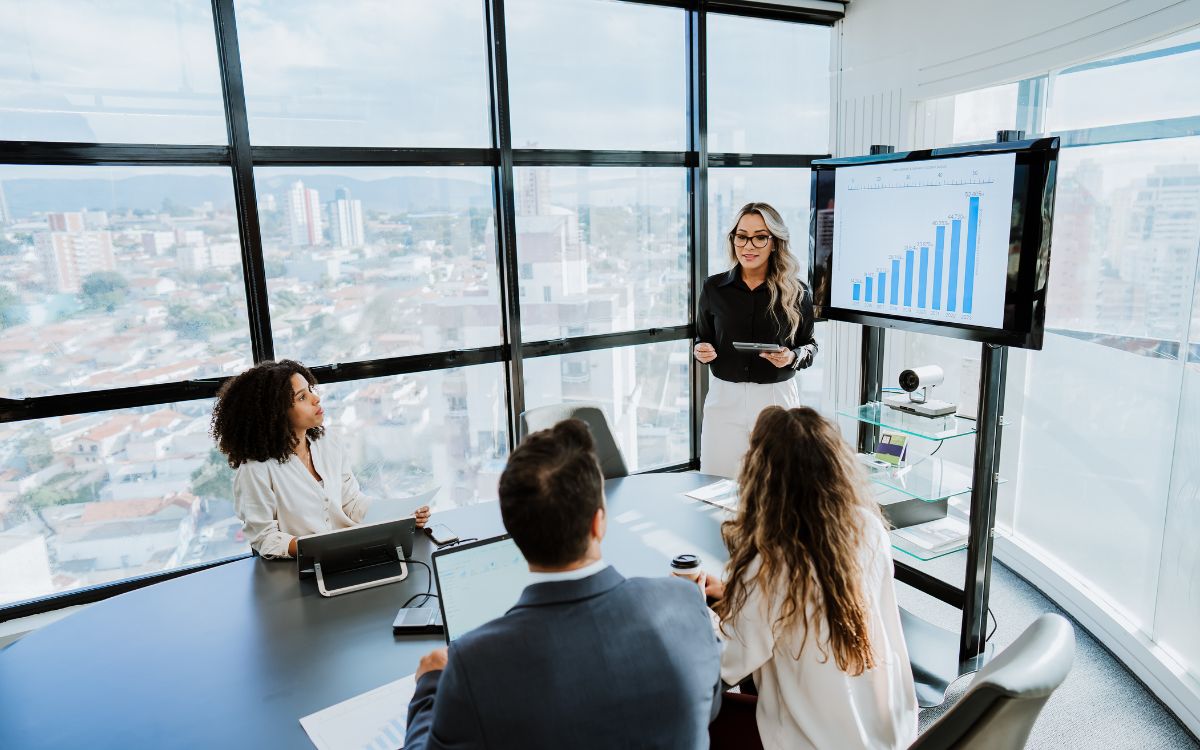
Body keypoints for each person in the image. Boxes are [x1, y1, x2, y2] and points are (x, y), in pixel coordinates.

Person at [404, 419, 722, 750]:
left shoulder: (474, 666)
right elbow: (707, 708)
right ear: (599, 523)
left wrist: (429, 687)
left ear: (515, 532)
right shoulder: (686, 602)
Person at [694, 406, 918, 750]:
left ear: (763, 482)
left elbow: (724, 664)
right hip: (890, 736)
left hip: (810, 743)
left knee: (693, 709)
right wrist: (734, 598)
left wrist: (698, 609)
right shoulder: (868, 529)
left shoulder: (772, 566)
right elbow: (812, 612)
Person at [210, 359, 430, 558]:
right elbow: (264, 538)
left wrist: (401, 516)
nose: (316, 399)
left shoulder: (329, 443)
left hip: (354, 554)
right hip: (301, 568)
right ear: (276, 412)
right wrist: (318, 549)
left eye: (310, 390)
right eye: (302, 397)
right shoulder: (256, 469)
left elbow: (351, 503)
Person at [694, 201, 818, 478]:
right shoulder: (713, 287)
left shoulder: (797, 292)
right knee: (715, 480)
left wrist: (792, 356)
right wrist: (700, 349)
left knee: (779, 484)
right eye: (742, 236)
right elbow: (703, 337)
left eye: (760, 237)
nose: (749, 245)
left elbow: (809, 344)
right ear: (733, 239)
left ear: (775, 242)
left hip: (776, 398)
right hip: (724, 396)